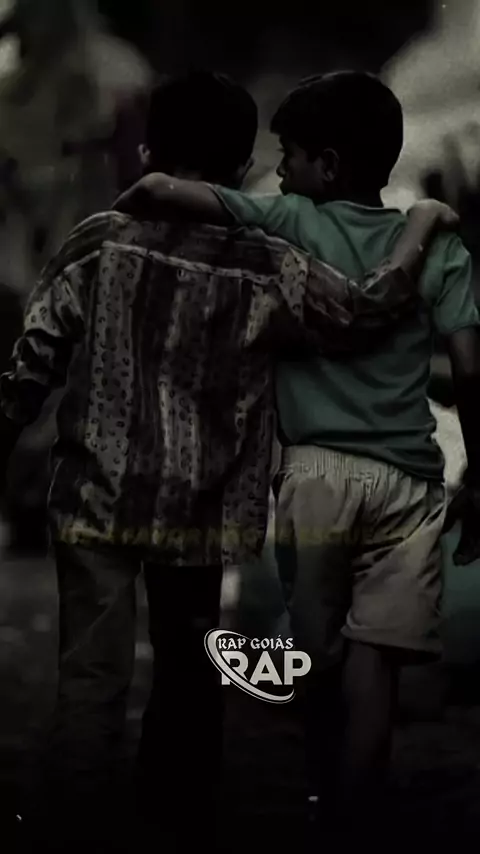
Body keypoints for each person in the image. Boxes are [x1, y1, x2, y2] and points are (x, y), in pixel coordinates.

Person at [1, 71, 454, 852]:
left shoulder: (99, 241)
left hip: (96, 500)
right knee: (189, 679)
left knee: (91, 685)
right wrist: (419, 231)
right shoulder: (271, 265)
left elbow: (31, 364)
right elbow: (362, 315)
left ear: (147, 154)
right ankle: (175, 827)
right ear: (244, 169)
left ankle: (74, 836)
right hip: (202, 512)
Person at [114, 70, 480, 838]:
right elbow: (470, 371)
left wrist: (139, 189)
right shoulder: (443, 248)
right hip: (411, 481)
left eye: (289, 157)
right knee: (379, 657)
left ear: (329, 165)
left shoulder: (288, 221)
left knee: (317, 652)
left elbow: (167, 192)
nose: (278, 172)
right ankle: (355, 811)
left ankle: (321, 781)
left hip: (314, 475)